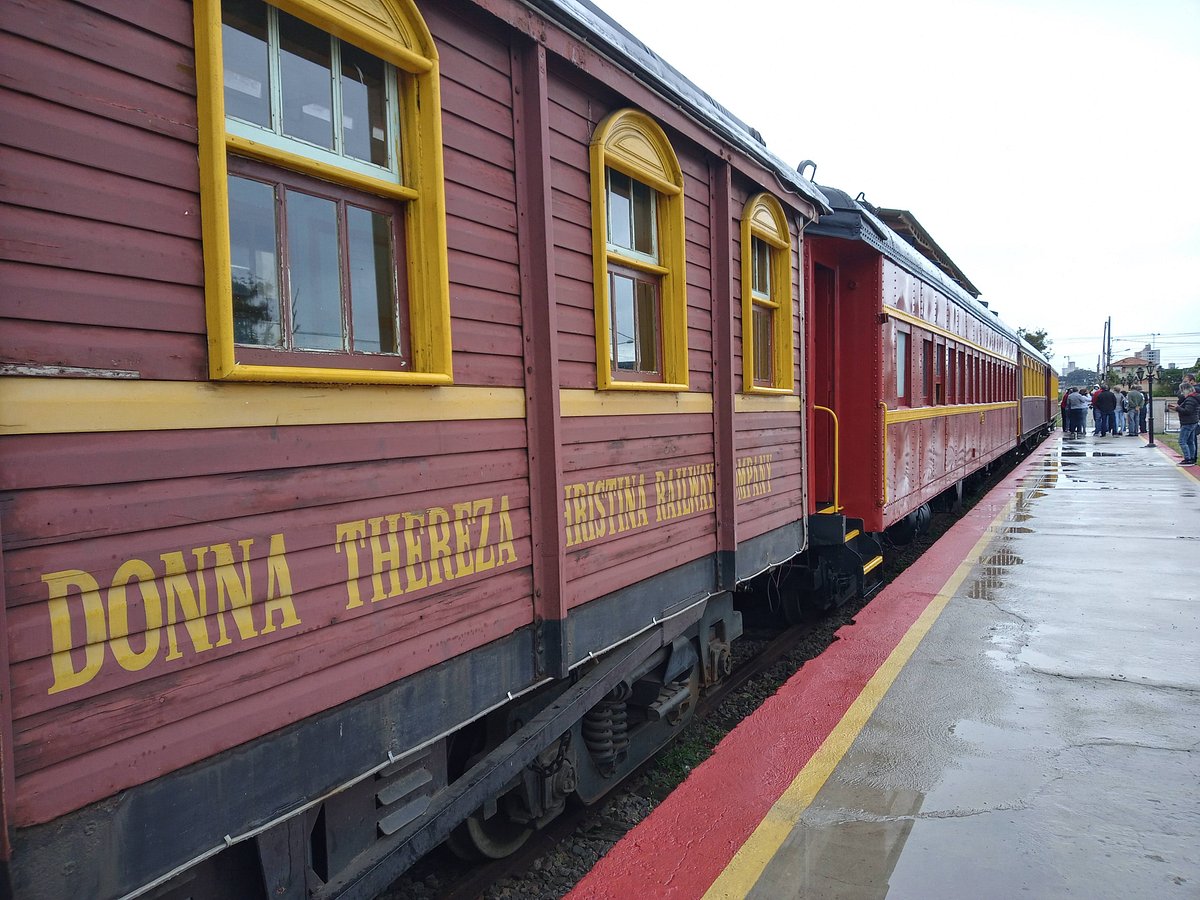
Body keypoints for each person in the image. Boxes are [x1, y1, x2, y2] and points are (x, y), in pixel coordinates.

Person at [1168, 384, 1198, 466]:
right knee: (1190, 441)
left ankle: (1187, 459)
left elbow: (1187, 411)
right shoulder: (1193, 398)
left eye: (1182, 390)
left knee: (1182, 441)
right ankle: (1192, 458)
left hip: (1187, 422)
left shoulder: (1190, 399)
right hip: (1193, 421)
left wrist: (1177, 408)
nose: (1181, 393)